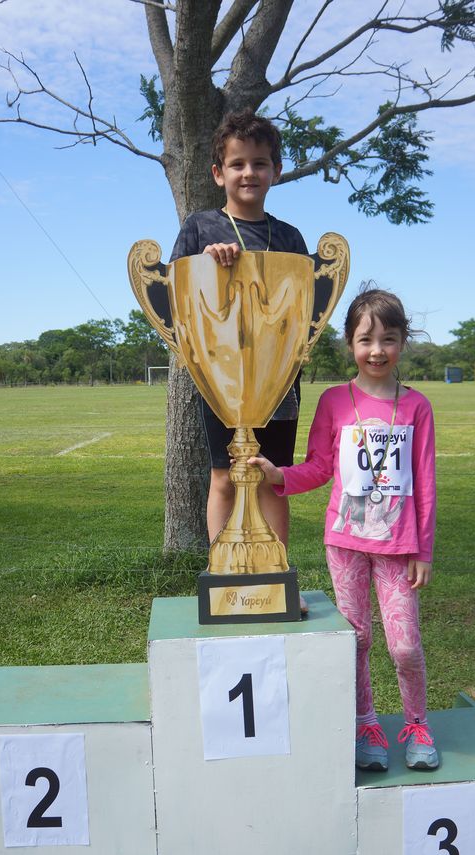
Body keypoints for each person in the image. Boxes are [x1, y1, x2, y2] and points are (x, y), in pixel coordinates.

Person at [249, 288, 439, 772]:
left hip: (398, 547)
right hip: (346, 545)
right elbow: (318, 467)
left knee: (404, 645)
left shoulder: (417, 407)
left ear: (403, 342)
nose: (377, 350)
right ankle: (365, 724)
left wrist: (424, 550)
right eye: (365, 339)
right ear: (350, 343)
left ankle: (417, 723)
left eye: (389, 339)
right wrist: (278, 475)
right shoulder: (334, 401)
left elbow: (425, 483)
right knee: (355, 640)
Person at [170, 110, 308, 608]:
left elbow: (303, 313)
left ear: (276, 171)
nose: (249, 173)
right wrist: (207, 264)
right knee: (225, 477)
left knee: (272, 478)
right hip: (221, 381)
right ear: (218, 173)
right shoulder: (200, 227)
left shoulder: (289, 238)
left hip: (278, 382)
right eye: (237, 164)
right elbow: (177, 295)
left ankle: (276, 578)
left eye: (260, 163)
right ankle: (224, 579)